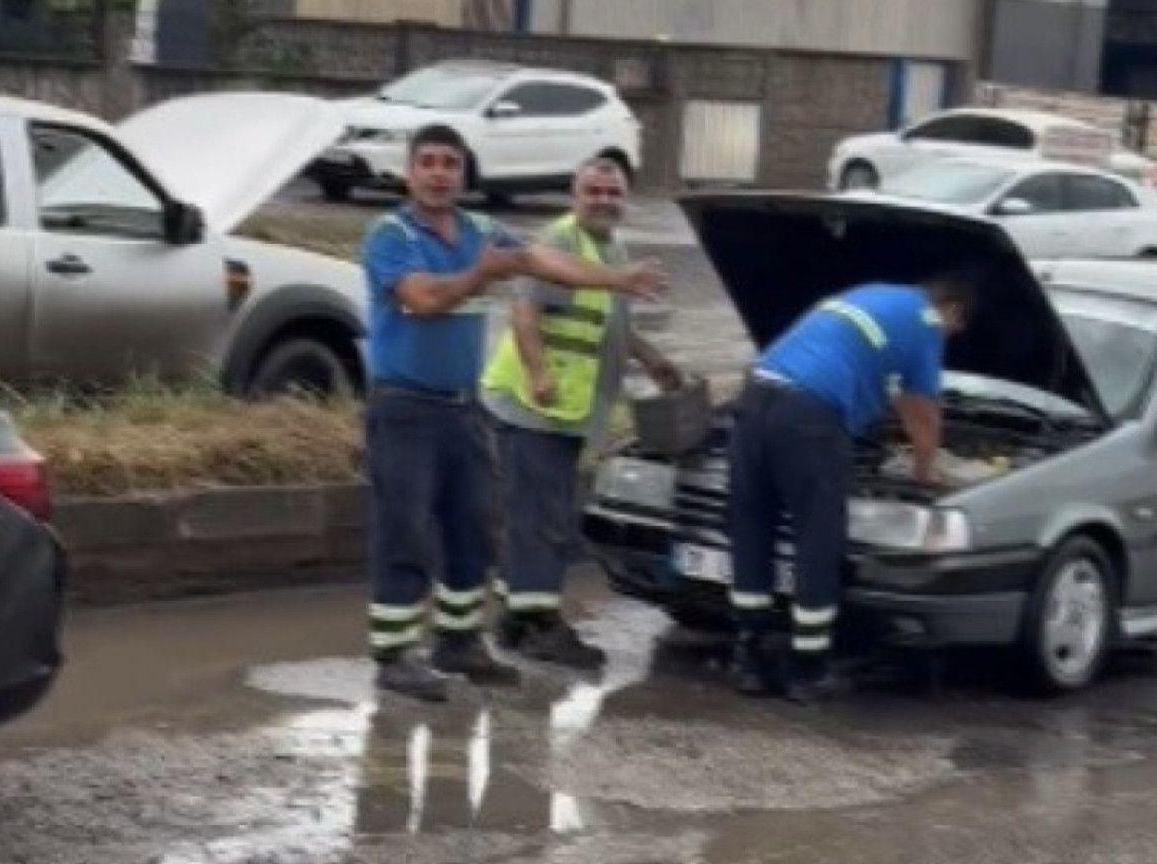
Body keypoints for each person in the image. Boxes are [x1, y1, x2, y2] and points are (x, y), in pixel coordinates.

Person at [361, 124, 665, 702]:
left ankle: (459, 641)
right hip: (404, 407)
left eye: (449, 163)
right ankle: (395, 654)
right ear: (409, 172)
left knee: (471, 527)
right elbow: (423, 300)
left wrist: (616, 279)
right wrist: (483, 272)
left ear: (463, 173)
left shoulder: (479, 229)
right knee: (405, 528)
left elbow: (539, 261)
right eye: (426, 162)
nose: (438, 172)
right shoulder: (391, 234)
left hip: (462, 408)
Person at [727, 268, 977, 704]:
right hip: (809, 417)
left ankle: (749, 658)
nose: (950, 338)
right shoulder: (926, 322)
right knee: (817, 539)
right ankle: (809, 669)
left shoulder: (874, 295)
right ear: (951, 309)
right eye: (957, 329)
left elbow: (890, 382)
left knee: (753, 527)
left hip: (754, 400)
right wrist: (924, 472)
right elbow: (924, 412)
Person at [481, 157, 683, 670]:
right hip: (534, 406)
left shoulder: (610, 248)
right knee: (541, 521)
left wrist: (651, 357)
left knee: (536, 516)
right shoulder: (561, 242)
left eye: (612, 192)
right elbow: (523, 309)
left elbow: (611, 322)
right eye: (593, 191)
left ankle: (515, 620)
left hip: (566, 412)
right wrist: (539, 372)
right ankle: (539, 627)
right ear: (575, 195)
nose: (603, 200)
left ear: (626, 199)